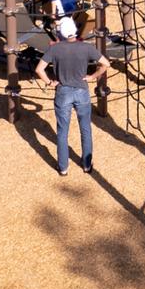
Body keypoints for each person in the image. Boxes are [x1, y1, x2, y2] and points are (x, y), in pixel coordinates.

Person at [35, 26, 107, 176]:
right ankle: (87, 165)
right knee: (85, 128)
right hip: (82, 91)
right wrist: (92, 77)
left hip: (63, 92)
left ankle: (63, 167)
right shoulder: (86, 47)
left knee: (62, 132)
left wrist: (49, 82)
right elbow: (106, 64)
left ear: (61, 33)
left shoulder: (55, 49)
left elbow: (39, 69)